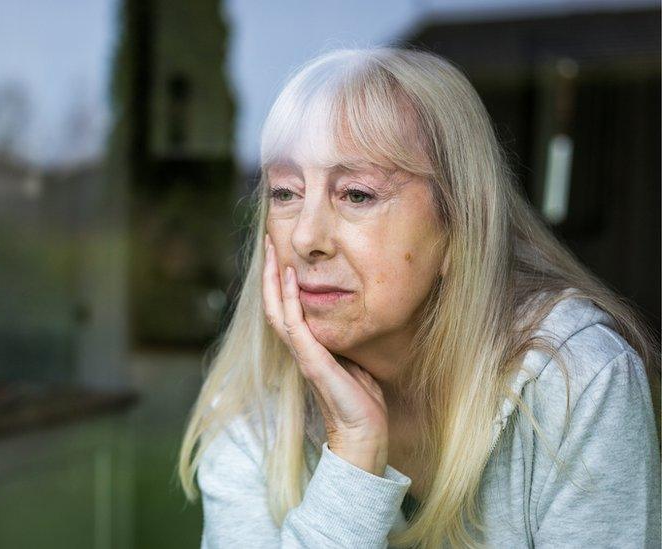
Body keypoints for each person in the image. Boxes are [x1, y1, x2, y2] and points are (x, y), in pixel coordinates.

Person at [176, 46, 661, 548]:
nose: (305, 237)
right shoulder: (253, 404)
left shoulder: (577, 379)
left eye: (357, 194)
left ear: (457, 226)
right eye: (285, 193)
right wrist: (353, 458)